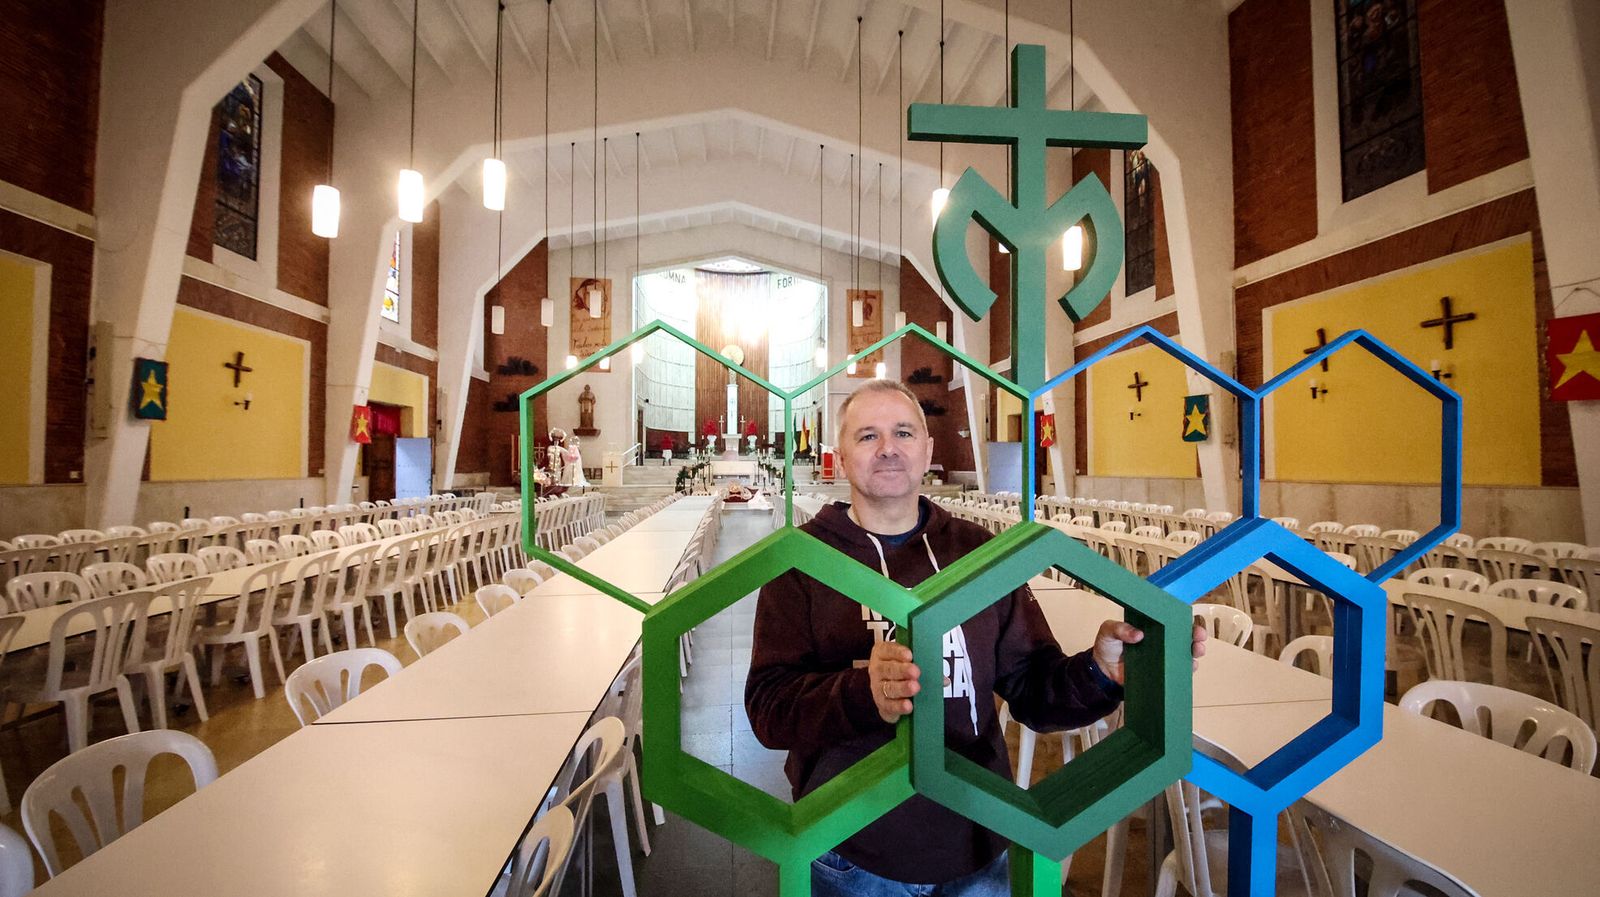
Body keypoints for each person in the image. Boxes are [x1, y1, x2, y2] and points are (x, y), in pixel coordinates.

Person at [745, 379, 1206, 896]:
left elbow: (1033, 689)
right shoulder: (801, 563)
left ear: (928, 450)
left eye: (902, 432)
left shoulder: (976, 551)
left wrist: (1101, 670)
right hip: (853, 842)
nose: (888, 448)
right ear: (840, 458)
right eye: (867, 436)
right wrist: (861, 693)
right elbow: (768, 709)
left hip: (975, 833)